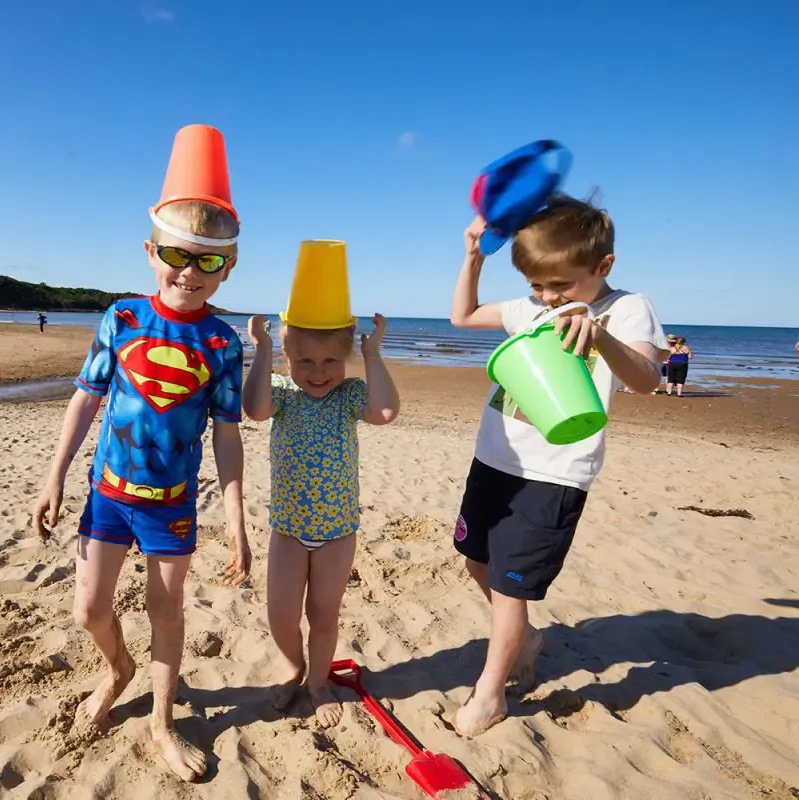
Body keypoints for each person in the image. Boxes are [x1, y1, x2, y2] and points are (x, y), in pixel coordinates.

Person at [32, 127, 249, 782]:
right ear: (151, 252)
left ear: (229, 267)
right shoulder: (122, 320)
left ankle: (160, 720)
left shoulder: (221, 343)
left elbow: (229, 435)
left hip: (172, 506)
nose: (189, 271)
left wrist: (237, 520)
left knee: (167, 612)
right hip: (107, 496)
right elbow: (84, 401)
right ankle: (118, 670)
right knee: (89, 610)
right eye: (177, 255)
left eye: (208, 260)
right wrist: (54, 477)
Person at [448, 197, 668, 738]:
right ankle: (524, 638)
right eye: (537, 284)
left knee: (510, 587)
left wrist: (600, 334)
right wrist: (474, 257)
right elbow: (464, 316)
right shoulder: (529, 308)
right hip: (495, 459)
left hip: (555, 473)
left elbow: (645, 379)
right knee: (475, 559)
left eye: (559, 286)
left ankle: (491, 693)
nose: (546, 297)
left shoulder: (625, 308)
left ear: (603, 267)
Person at [242, 307, 399, 728]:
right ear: (288, 357)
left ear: (345, 360)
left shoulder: (348, 396)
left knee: (324, 614)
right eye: (305, 361)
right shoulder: (281, 393)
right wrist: (263, 349)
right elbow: (253, 410)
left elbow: (385, 413)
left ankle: (317, 683)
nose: (318, 372)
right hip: (289, 532)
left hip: (336, 533)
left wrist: (373, 354)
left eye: (330, 360)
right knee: (281, 614)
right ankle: (293, 666)